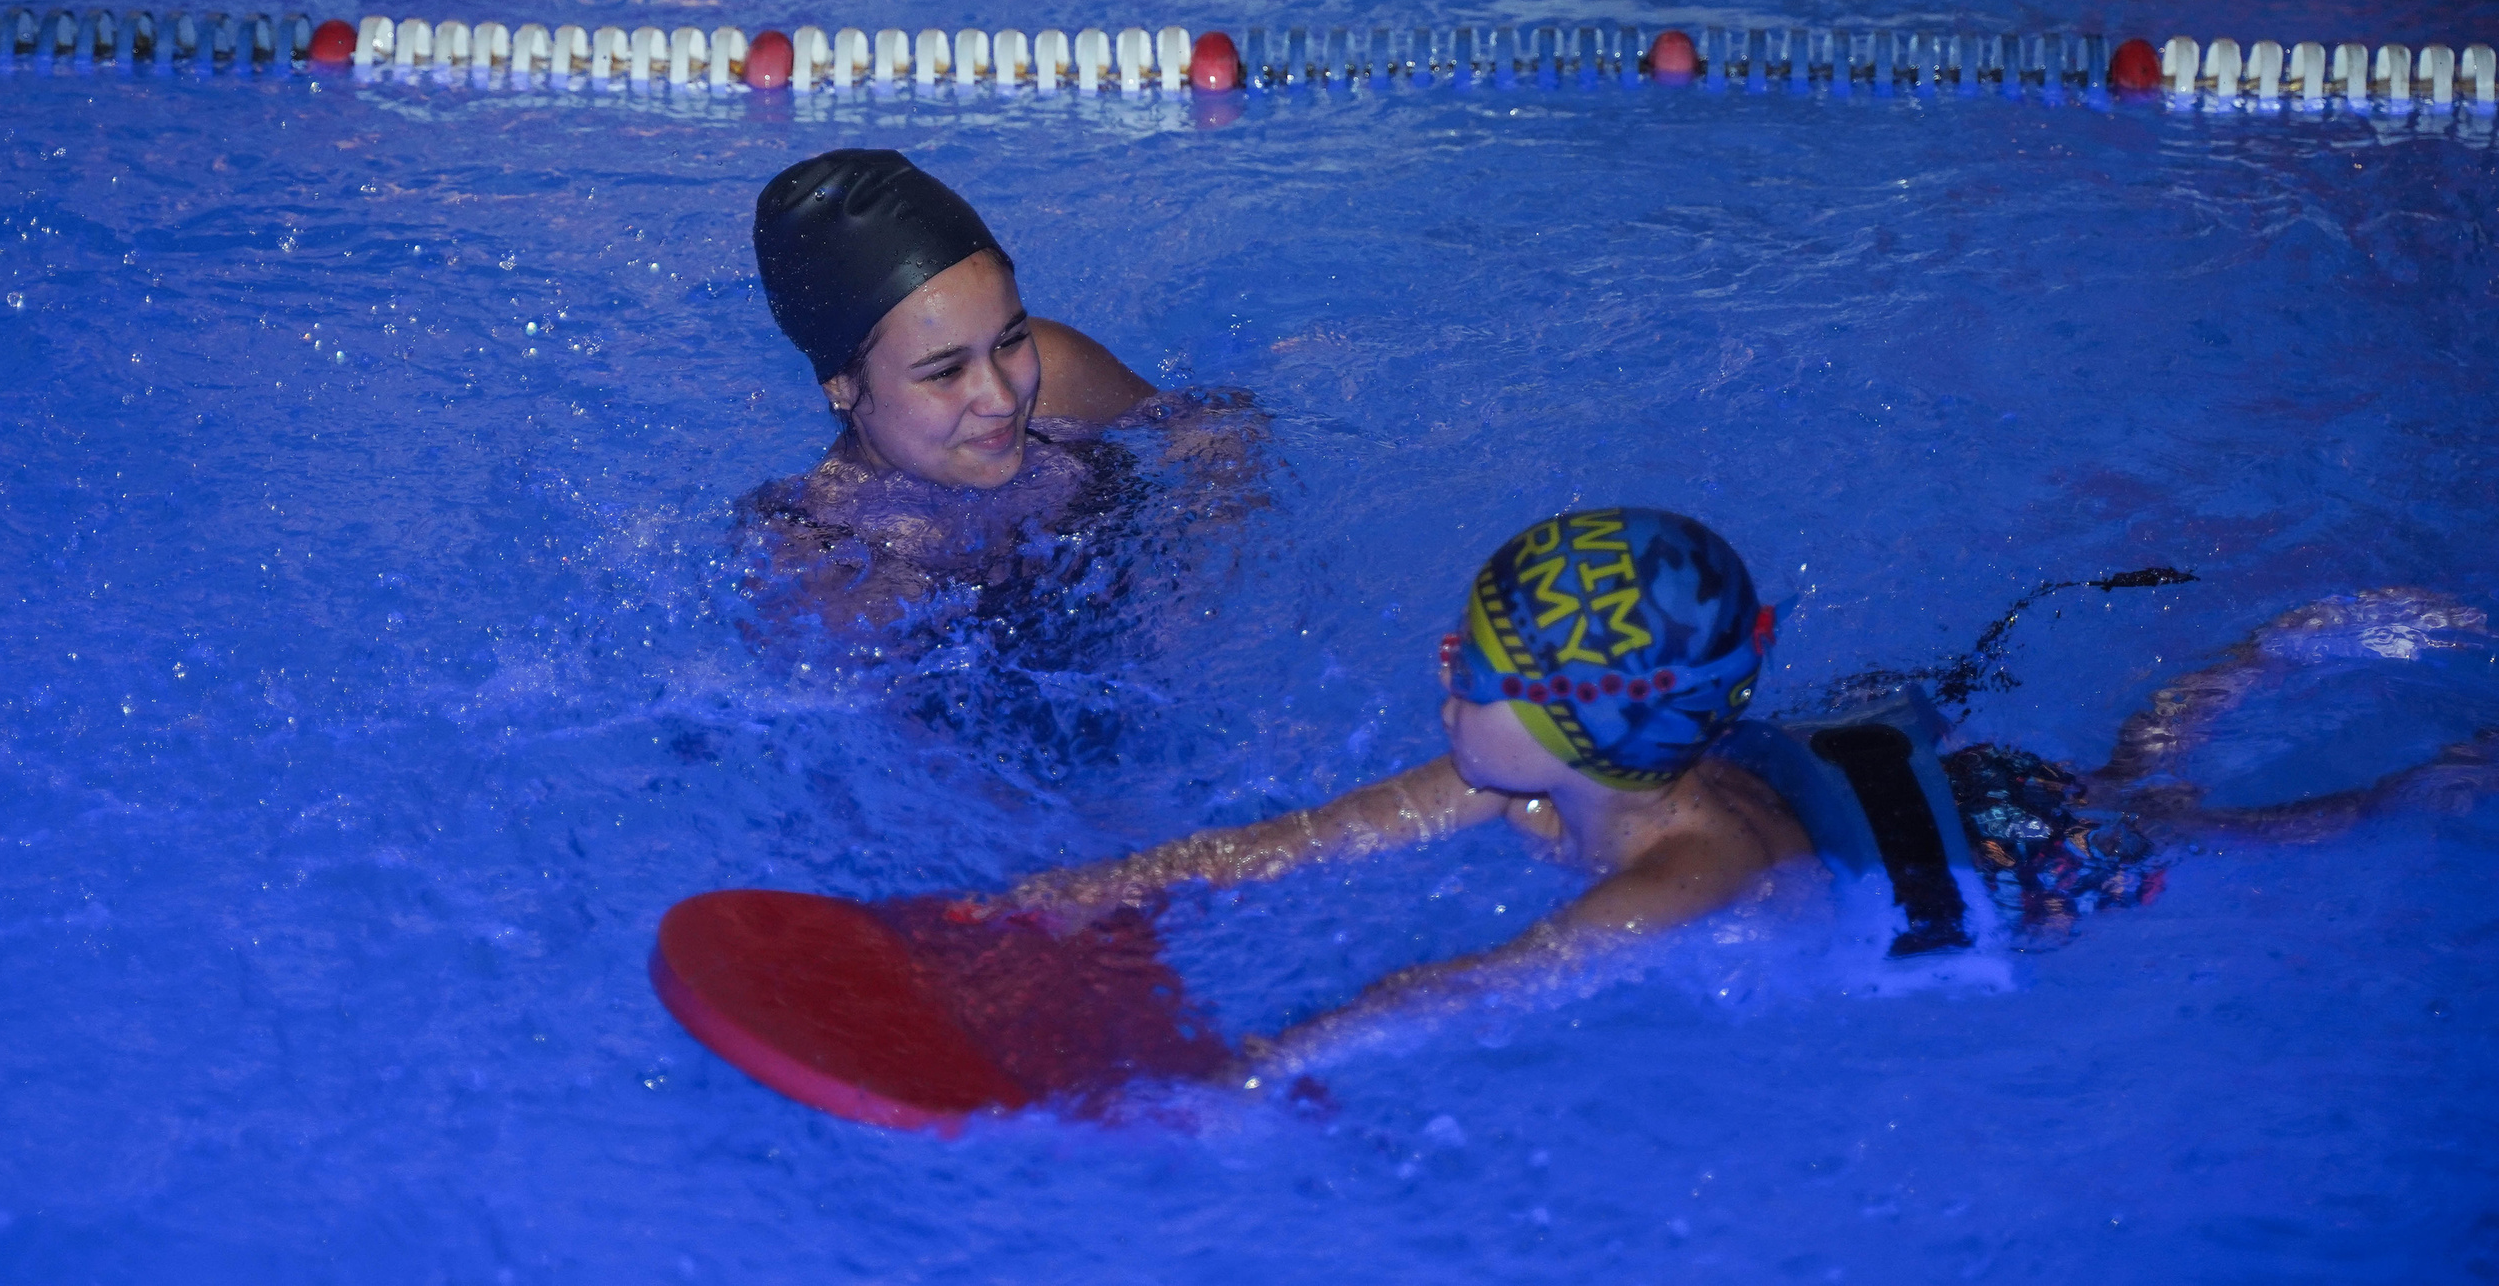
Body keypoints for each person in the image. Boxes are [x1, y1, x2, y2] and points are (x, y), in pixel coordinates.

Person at [996, 508, 2495, 1082]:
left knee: (2208, 826)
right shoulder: (1546, 779)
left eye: (1483, 660)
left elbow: (1476, 986)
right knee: (2137, 768)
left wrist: (1259, 1067)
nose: (1446, 659)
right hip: (1948, 796)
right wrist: (1100, 885)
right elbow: (1307, 840)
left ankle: (2418, 777)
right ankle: (2259, 662)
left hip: (2033, 870)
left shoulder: (1687, 872)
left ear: (1575, 726)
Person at [734, 149, 1266, 775]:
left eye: (1011, 340)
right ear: (841, 384)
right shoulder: (821, 565)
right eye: (945, 370)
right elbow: (923, 780)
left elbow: (1221, 424)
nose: (1001, 397)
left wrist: (1199, 585)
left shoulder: (1060, 378)